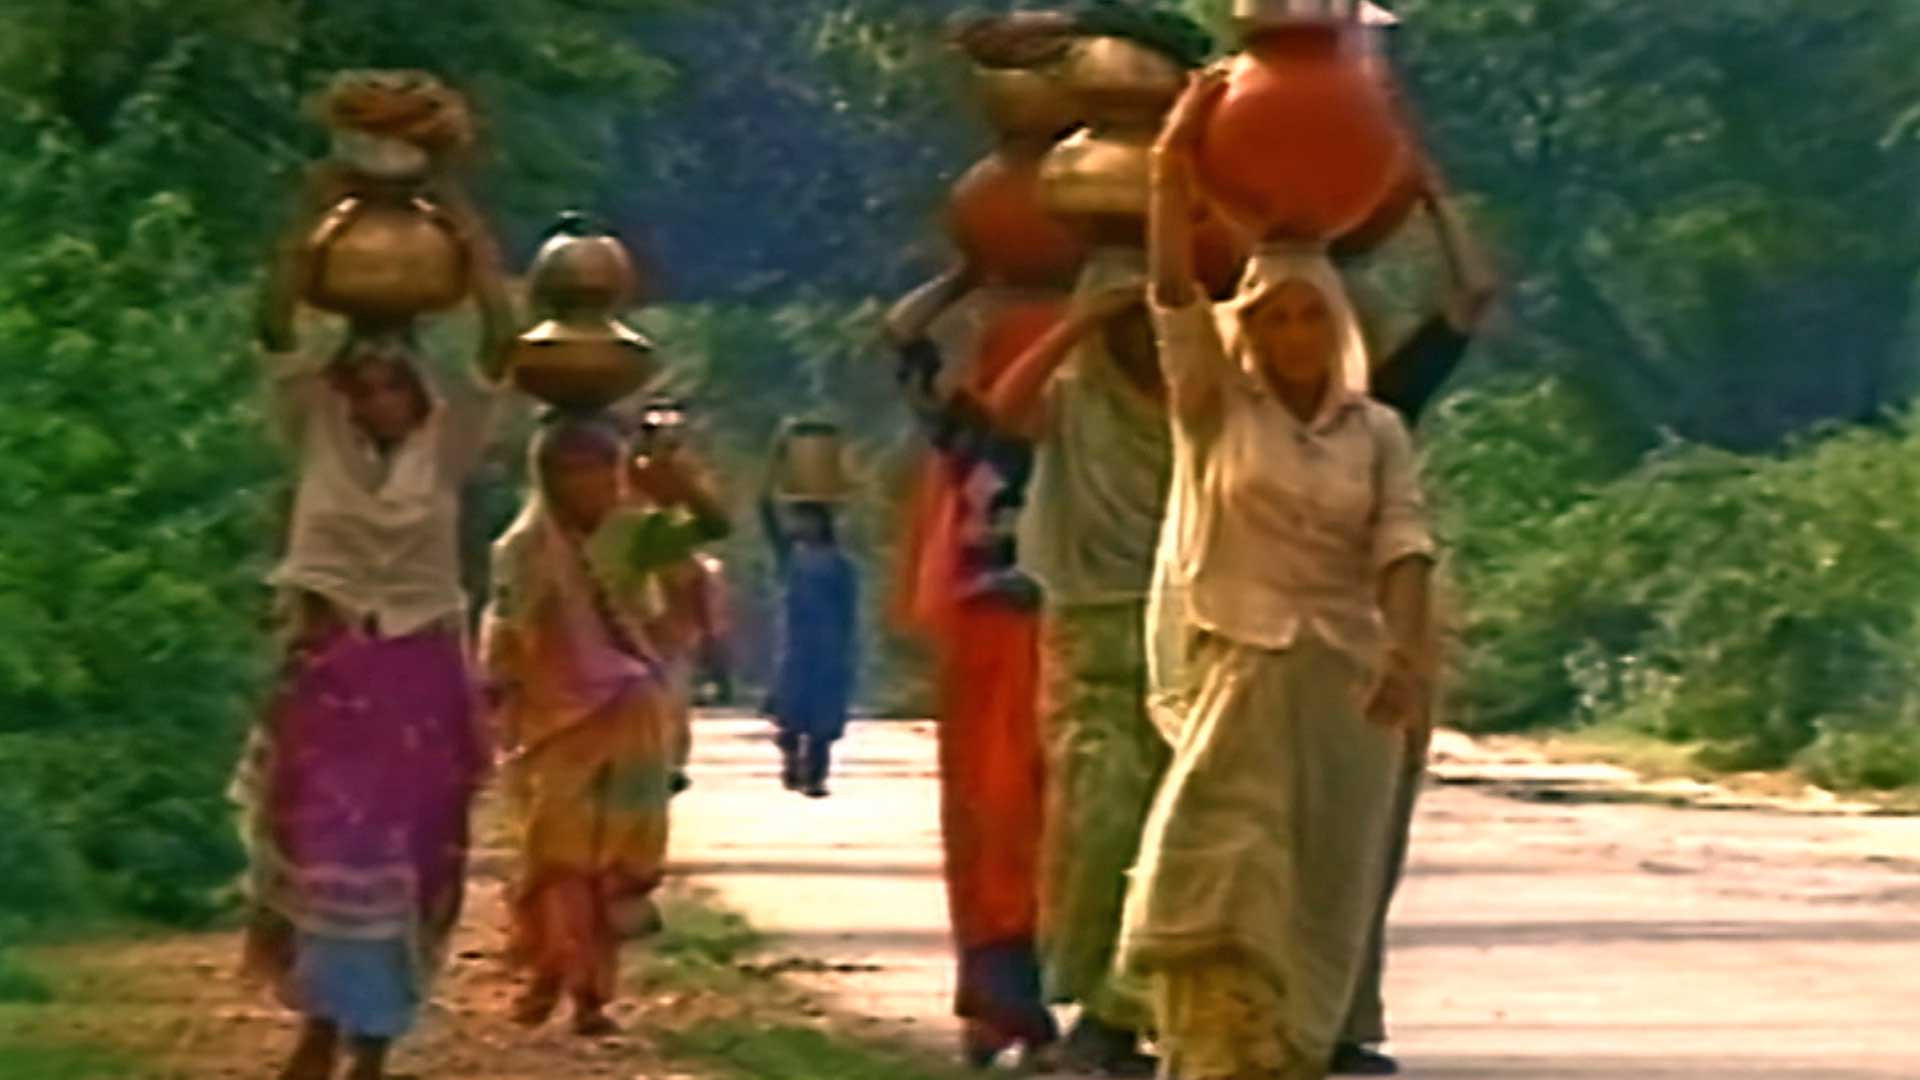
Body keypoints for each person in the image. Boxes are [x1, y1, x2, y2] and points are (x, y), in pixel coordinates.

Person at [1117, 70, 1439, 1080]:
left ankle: (1295, 1052)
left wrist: (1404, 653)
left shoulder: (1376, 431)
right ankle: (1212, 1052)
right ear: (1249, 326)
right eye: (1273, 318)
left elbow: (1402, 543)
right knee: (1215, 863)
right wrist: (1173, 167)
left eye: (1309, 318)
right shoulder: (1217, 412)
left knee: (1322, 891)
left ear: (1336, 327)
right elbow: (1172, 296)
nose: (1292, 337)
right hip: (1242, 671)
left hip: (1348, 686)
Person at [234, 329, 504, 1080]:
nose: (380, 402)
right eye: (364, 388)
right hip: (331, 677)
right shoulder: (318, 438)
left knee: (409, 860)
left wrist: (455, 220)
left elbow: (499, 348)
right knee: (322, 851)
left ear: (418, 391)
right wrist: (324, 216)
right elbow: (277, 326)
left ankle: (376, 1044)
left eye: (394, 386)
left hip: (420, 681)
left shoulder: (447, 447)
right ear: (341, 395)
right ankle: (320, 1023)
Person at [973, 251, 1170, 1077]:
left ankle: (1136, 1013)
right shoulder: (1074, 398)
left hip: (1186, 631)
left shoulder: (1203, 394)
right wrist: (1080, 324)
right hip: (1090, 637)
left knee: (1182, 834)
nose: (1141, 343)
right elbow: (999, 415)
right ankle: (1093, 1005)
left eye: (1147, 324)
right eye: (1125, 327)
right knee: (1099, 826)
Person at [1329, 172, 1499, 1078]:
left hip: (1369, 644)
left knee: (1363, 842)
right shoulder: (1215, 411)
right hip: (1245, 641)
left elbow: (1471, 297)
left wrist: (1431, 195)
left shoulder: (1380, 413)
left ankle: (1342, 1022)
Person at [481, 416, 728, 1036]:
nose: (590, 483)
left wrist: (676, 485)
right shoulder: (523, 549)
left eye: (601, 468)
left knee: (612, 861)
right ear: (548, 478)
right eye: (573, 470)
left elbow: (712, 531)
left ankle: (592, 995)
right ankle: (549, 969)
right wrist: (495, 699)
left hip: (630, 709)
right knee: (555, 855)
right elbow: (507, 631)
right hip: (552, 718)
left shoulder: (635, 533)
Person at [886, 272, 1059, 1068]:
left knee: (1061, 821)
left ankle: (1057, 996)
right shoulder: (974, 434)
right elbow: (903, 333)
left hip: (1071, 636)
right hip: (992, 641)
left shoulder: (1109, 434)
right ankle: (993, 1001)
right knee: (992, 818)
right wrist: (968, 270)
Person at [760, 495, 859, 799]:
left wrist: (847, 649)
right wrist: (775, 468)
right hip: (795, 642)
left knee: (822, 717)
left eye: (809, 518)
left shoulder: (840, 564)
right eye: (798, 518)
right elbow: (765, 513)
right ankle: (792, 764)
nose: (802, 525)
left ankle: (815, 775)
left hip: (828, 644)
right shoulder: (790, 555)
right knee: (791, 712)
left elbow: (849, 609)